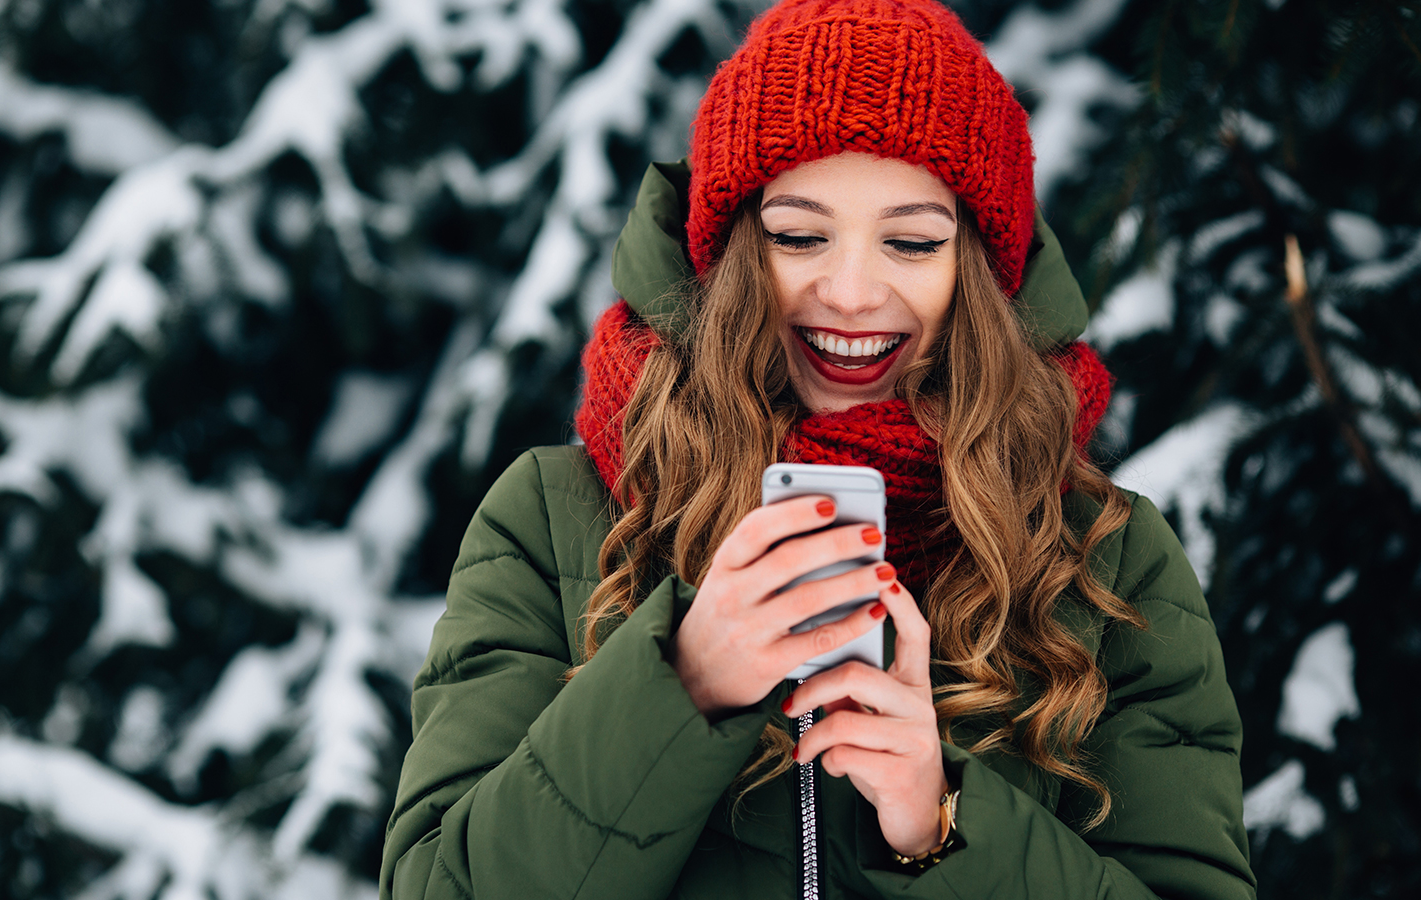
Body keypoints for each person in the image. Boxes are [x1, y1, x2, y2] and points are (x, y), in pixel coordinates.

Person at [381, 0, 1255, 896]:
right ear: (727, 252)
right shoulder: (554, 519)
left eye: (912, 242)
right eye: (798, 235)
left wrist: (941, 822)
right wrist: (679, 688)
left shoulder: (1104, 559)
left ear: (980, 273)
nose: (849, 291)